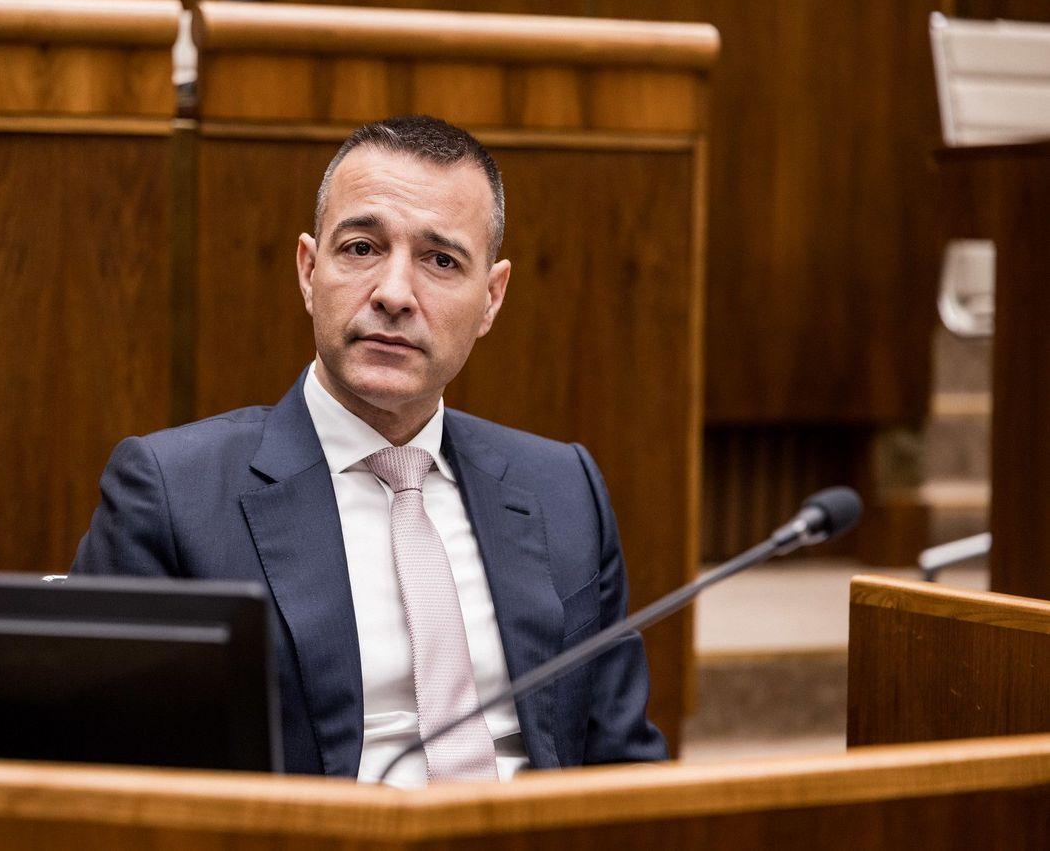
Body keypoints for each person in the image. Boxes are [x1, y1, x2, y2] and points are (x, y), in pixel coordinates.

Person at [72, 115, 666, 787]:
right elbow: (101, 774)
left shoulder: (565, 490)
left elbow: (625, 767)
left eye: (441, 261)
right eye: (361, 248)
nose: (393, 294)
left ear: (491, 298)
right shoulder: (173, 495)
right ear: (308, 270)